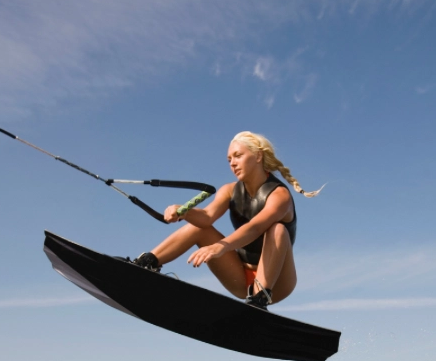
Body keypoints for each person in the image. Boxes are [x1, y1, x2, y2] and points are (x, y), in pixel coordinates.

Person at [131, 131, 321, 310]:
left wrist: (220, 246)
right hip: (238, 275)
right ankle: (145, 264)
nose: (232, 163)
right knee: (199, 228)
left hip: (278, 282)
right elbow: (206, 218)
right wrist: (183, 212)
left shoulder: (279, 195)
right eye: (229, 159)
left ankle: (259, 299)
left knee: (277, 229)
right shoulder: (229, 190)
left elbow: (255, 228)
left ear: (257, 156)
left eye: (238, 156)